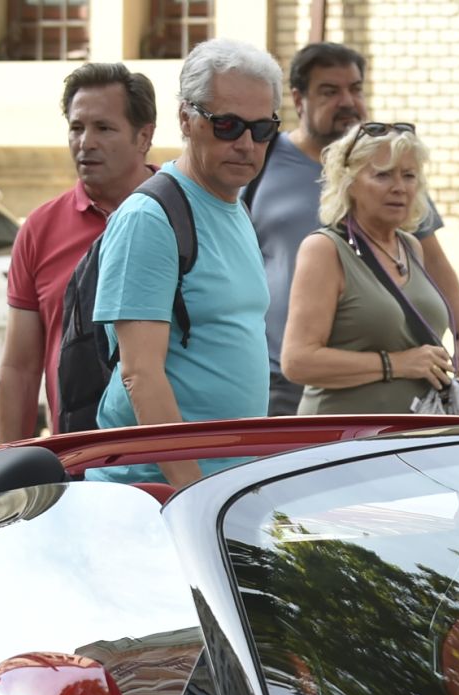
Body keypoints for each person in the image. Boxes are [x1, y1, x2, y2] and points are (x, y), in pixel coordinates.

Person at [247, 42, 459, 415]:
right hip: (277, 377)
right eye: (330, 91)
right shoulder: (259, 160)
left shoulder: (394, 180)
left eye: (355, 89)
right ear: (298, 99)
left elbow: (434, 262)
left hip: (405, 417)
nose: (347, 101)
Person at [92, 39, 280, 484]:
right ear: (185, 119)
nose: (246, 143)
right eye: (228, 125)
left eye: (263, 128)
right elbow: (140, 373)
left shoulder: (235, 207)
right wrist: (194, 493)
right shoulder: (150, 217)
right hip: (155, 491)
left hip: (224, 484)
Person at [0, 63, 157, 442]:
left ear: (143, 136)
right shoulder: (40, 229)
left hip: (171, 451)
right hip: (78, 455)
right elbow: (19, 368)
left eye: (104, 128)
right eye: (77, 127)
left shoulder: (183, 213)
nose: (86, 142)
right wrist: (9, 468)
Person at [280, 122, 457, 414]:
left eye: (409, 175)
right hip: (340, 439)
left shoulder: (410, 247)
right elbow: (297, 361)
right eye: (383, 175)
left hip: (405, 440)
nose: (399, 187)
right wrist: (397, 364)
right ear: (349, 183)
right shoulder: (325, 249)